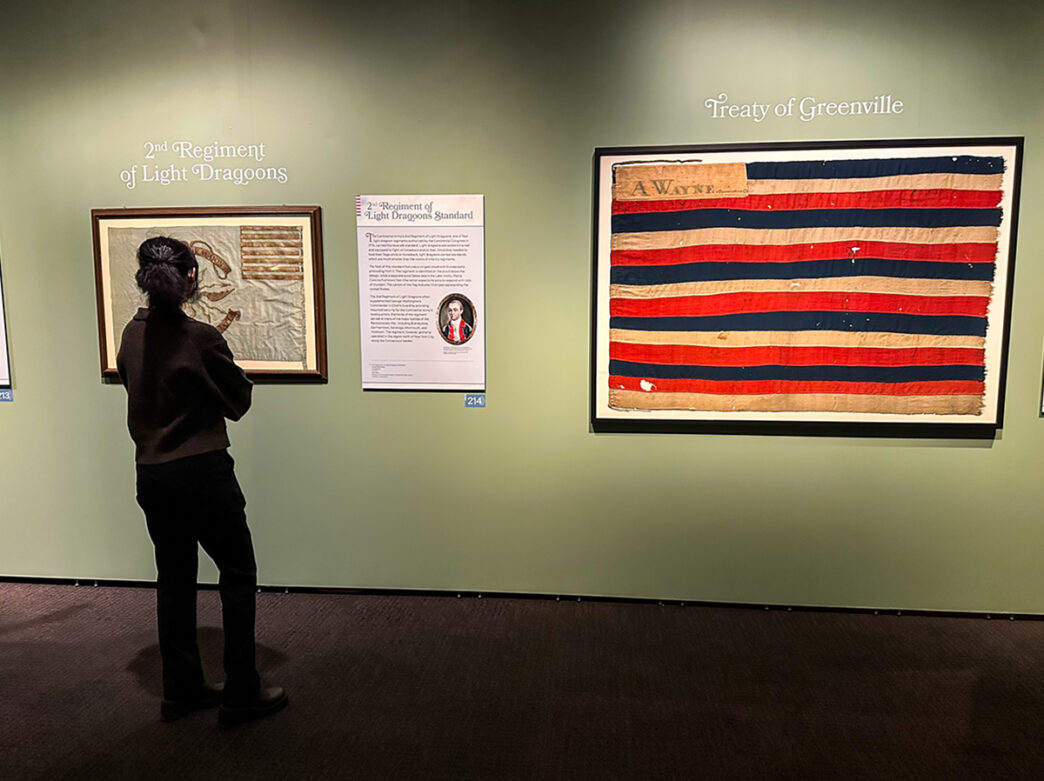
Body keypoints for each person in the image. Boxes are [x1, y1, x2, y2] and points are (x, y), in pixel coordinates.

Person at [116, 236, 287, 727]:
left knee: (174, 578)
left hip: (152, 473)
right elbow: (238, 401)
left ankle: (181, 688)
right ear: (191, 277)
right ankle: (241, 690)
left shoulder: (131, 334)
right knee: (237, 574)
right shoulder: (200, 338)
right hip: (202, 471)